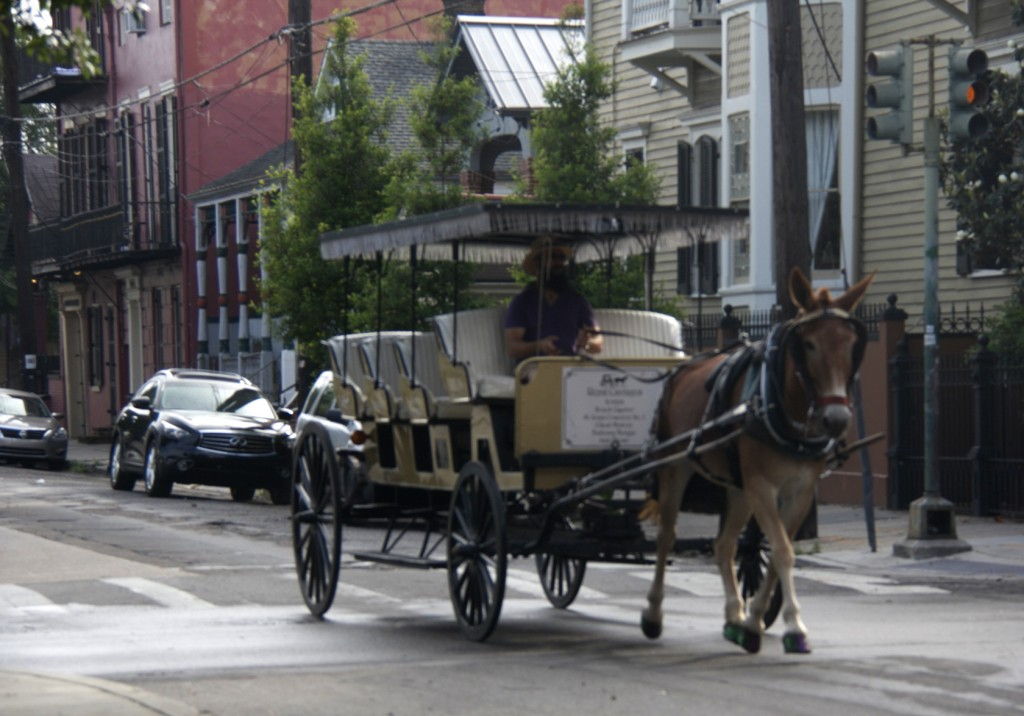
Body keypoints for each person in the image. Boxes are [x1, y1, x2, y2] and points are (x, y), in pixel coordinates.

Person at [504, 236, 603, 361]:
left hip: (569, 368)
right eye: (552, 257)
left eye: (561, 258)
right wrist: (539, 345)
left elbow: (598, 343)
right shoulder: (522, 302)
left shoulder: (577, 300)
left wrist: (587, 343)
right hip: (534, 369)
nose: (558, 263)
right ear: (537, 264)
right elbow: (512, 348)